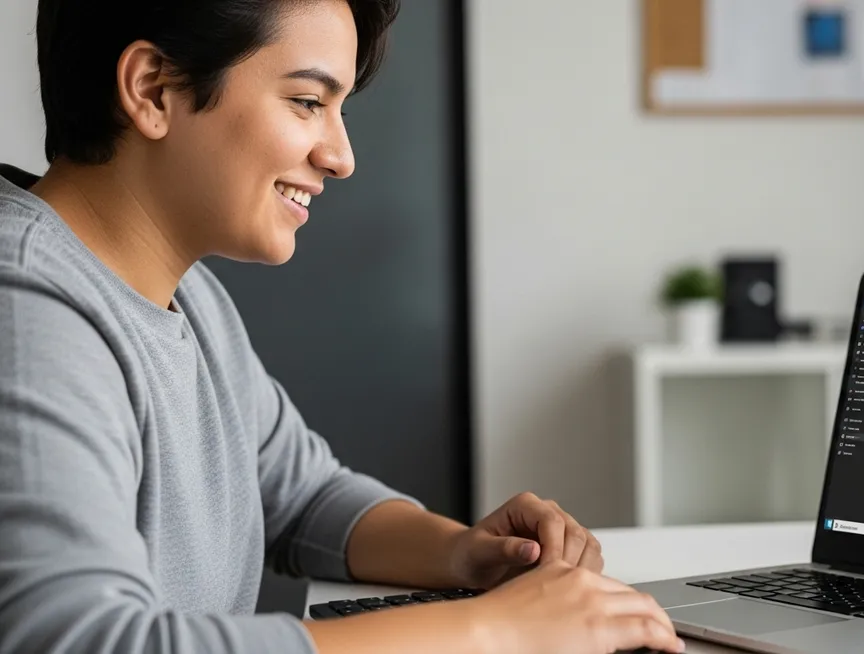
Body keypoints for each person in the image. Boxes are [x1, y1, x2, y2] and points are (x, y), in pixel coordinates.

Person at [0, 2, 683, 653]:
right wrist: (494, 632)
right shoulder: (27, 311)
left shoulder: (191, 298)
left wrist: (464, 553)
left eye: (339, 109)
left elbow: (304, 496)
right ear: (153, 90)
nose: (340, 155)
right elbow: (81, 640)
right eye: (307, 101)